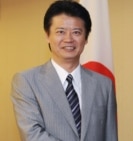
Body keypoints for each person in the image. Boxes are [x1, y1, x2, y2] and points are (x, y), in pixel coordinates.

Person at [10, 1, 118, 141]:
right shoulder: (26, 81)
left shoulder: (104, 84)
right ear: (47, 36)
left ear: (86, 39)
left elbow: (110, 136)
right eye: (60, 32)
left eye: (76, 32)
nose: (68, 39)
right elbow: (32, 134)